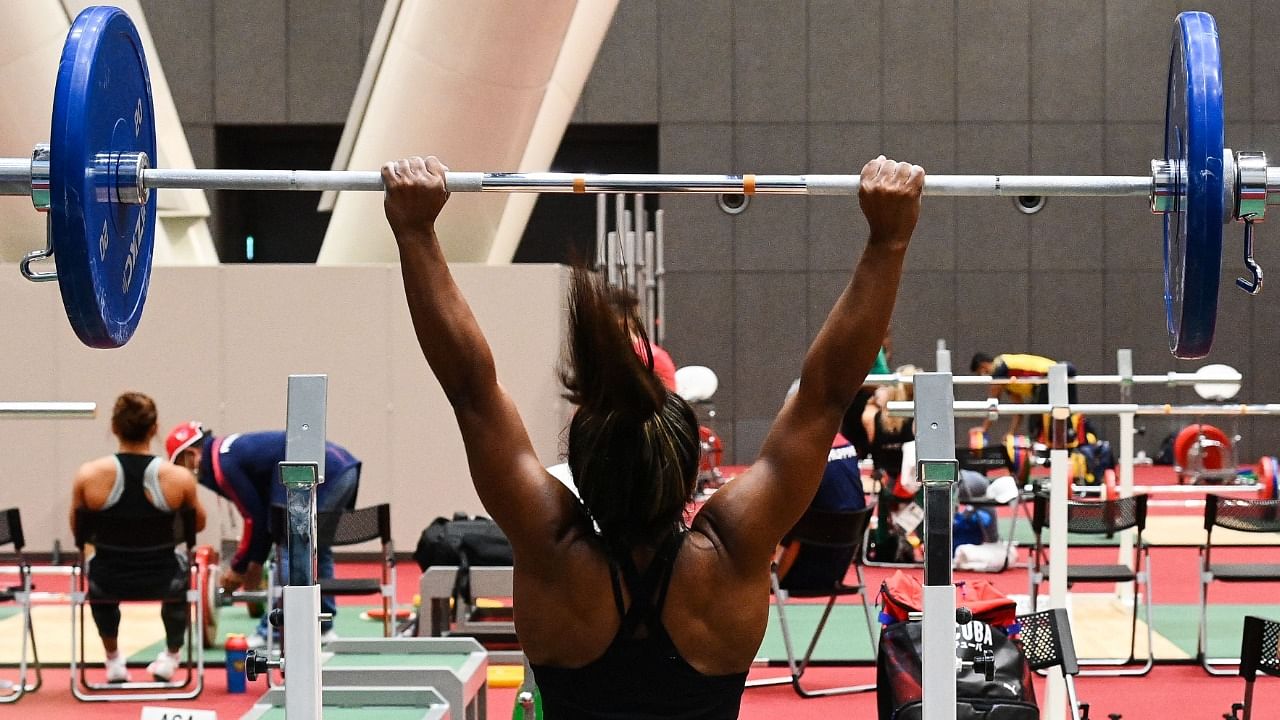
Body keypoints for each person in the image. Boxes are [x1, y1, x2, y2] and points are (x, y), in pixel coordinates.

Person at [381, 153, 922, 718]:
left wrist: (415, 232)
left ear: (582, 475)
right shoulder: (731, 553)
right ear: (689, 470)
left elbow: (471, 389)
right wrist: (889, 241)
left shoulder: (551, 551)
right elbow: (825, 394)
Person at [164, 423, 362, 647]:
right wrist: (253, 562)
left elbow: (254, 518)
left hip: (325, 474)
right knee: (317, 546)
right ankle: (323, 627)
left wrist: (241, 567)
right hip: (345, 469)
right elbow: (267, 515)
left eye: (180, 465)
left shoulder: (223, 466)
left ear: (191, 456)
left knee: (290, 548)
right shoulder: (225, 452)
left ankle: (276, 631)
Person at [70, 392, 206, 682]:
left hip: (107, 579)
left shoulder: (88, 476)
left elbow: (78, 531)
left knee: (96, 571)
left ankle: (114, 662)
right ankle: (171, 658)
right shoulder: (179, 479)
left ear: (114, 428)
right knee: (183, 568)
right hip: (165, 577)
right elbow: (198, 524)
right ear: (155, 429)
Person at [970, 352, 1078, 439]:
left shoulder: (999, 367)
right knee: (1064, 415)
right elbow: (1019, 409)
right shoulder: (1007, 380)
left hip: (1051, 375)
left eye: (980, 372)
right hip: (1053, 378)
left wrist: (984, 428)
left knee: (1036, 422)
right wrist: (1011, 434)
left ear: (983, 366)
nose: (983, 375)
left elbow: (993, 403)